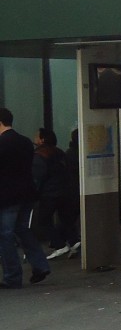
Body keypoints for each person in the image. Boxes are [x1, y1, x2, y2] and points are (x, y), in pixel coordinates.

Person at [0, 107, 50, 288]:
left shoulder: (2, 143)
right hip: (27, 194)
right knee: (22, 230)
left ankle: (12, 277)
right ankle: (40, 265)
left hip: (7, 197)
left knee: (5, 235)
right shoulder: (25, 142)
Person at [32, 129, 75, 259]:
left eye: (37, 136)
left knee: (44, 220)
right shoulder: (60, 152)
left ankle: (59, 244)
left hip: (49, 193)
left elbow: (38, 176)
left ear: (42, 139)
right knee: (65, 217)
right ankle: (74, 241)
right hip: (65, 190)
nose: (35, 138)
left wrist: (34, 192)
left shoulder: (40, 154)